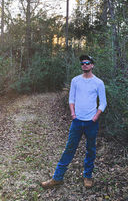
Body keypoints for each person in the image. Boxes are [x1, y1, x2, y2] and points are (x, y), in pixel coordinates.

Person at [41, 55, 107, 188]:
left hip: (91, 123)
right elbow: (71, 99)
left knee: (90, 150)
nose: (85, 65)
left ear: (92, 65)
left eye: (87, 63)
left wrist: (95, 117)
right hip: (77, 122)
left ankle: (87, 177)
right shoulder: (75, 81)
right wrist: (73, 113)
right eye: (83, 63)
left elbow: (103, 103)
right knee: (69, 149)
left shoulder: (98, 82)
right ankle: (57, 178)